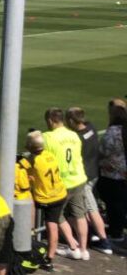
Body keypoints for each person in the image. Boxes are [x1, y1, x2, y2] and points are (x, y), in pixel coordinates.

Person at [43, 108, 90, 259]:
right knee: (80, 214)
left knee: (57, 215)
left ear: (50, 120)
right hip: (78, 178)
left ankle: (73, 245)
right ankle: (83, 249)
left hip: (62, 182)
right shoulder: (74, 135)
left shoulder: (47, 137)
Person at [21, 131, 72, 269]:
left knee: (27, 200)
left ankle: (29, 236)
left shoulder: (33, 161)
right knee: (52, 225)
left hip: (45, 198)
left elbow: (23, 170)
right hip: (60, 193)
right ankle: (49, 257)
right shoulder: (50, 155)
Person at [66, 107, 113, 254]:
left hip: (84, 177)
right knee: (87, 207)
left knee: (91, 209)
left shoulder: (77, 137)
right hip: (94, 173)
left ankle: (104, 241)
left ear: (72, 120)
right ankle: (93, 235)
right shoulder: (91, 127)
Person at [98, 100, 126, 242]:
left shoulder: (113, 132)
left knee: (115, 203)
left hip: (113, 173)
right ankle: (118, 229)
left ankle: (116, 232)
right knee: (120, 202)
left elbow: (104, 150)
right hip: (122, 172)